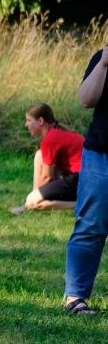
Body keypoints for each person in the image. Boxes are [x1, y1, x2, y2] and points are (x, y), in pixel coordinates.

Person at [63, 45, 108, 315]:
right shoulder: (102, 58)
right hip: (101, 154)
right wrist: (103, 64)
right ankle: (75, 296)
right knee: (90, 225)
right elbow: (85, 100)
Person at [10, 103, 83, 215]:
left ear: (40, 121)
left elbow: (46, 177)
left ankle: (84, 204)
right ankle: (29, 203)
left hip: (81, 180)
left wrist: (35, 196)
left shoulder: (50, 139)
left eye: (29, 120)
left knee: (33, 202)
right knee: (39, 155)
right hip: (83, 177)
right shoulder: (57, 132)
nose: (26, 124)